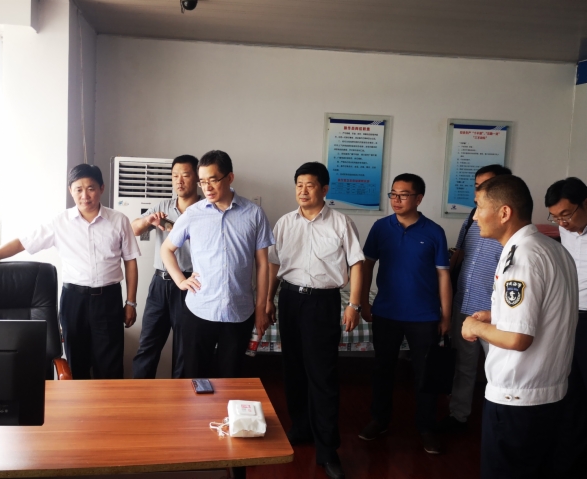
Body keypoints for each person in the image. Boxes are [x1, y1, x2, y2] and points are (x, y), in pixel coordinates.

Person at [0, 164, 140, 379]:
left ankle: (110, 402)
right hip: (74, 300)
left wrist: (131, 302)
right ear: (70, 190)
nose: (85, 195)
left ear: (101, 188)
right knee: (77, 363)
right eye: (78, 189)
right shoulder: (59, 222)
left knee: (110, 366)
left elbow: (130, 261)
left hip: (108, 299)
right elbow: (22, 242)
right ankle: (81, 402)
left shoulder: (119, 220)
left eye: (91, 188)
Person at [462, 175, 578, 479]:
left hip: (518, 399)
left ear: (504, 212)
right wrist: (495, 315)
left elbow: (517, 338)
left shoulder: (521, 256)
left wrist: (474, 327)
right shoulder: (551, 248)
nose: (474, 216)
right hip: (549, 396)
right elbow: (544, 311)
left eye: (479, 207)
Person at [267, 162, 364, 479]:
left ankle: (327, 449)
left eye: (310, 185)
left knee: (322, 376)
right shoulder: (285, 223)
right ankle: (301, 428)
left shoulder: (340, 222)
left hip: (323, 302)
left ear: (324, 189)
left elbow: (357, 264)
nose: (303, 191)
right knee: (293, 369)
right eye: (299, 185)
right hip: (289, 299)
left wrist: (354, 304)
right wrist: (267, 300)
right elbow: (273, 265)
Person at [358, 173, 451, 455]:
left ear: (419, 198)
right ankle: (379, 420)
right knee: (382, 369)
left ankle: (426, 428)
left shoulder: (434, 231)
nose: (396, 200)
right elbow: (366, 266)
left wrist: (446, 316)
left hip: (424, 315)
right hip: (386, 311)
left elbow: (443, 276)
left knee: (425, 374)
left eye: (404, 195)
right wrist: (363, 302)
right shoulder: (380, 227)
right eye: (393, 194)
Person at [160, 150, 274, 379]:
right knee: (195, 377)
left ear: (230, 177)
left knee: (231, 378)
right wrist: (181, 281)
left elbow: (263, 264)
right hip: (199, 309)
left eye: (213, 180)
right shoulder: (193, 214)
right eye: (202, 182)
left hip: (239, 312)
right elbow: (167, 249)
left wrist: (261, 308)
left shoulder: (254, 214)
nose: (207, 187)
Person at [440, 164, 511, 432]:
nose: (478, 192)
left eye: (486, 186)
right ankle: (458, 416)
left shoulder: (511, 224)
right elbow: (459, 254)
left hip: (495, 314)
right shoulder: (472, 217)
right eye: (477, 186)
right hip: (464, 306)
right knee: (463, 366)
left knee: (500, 370)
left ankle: (500, 424)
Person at [131, 155, 201, 379]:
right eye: (175, 176)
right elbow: (133, 229)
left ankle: (181, 398)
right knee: (147, 346)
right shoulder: (163, 207)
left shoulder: (206, 209)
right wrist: (148, 220)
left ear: (197, 178)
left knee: (184, 351)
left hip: (190, 283)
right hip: (160, 283)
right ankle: (140, 395)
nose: (179, 181)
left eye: (185, 175)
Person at [545, 177, 587, 476]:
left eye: (567, 215)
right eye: (556, 217)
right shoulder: (564, 228)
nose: (563, 223)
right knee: (570, 390)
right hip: (569, 315)